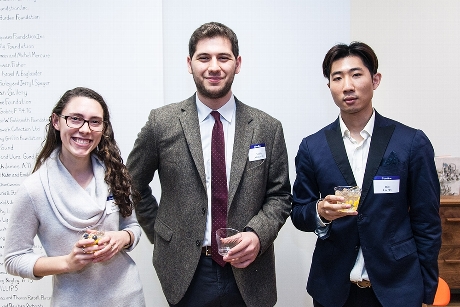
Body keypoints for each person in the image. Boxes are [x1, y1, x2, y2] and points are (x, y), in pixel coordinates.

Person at [126, 22, 291, 307]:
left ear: (237, 64)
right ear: (190, 64)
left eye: (223, 57)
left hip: (250, 269)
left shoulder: (267, 128)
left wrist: (257, 235)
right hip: (187, 272)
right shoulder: (161, 123)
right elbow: (132, 183)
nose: (213, 67)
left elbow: (280, 195)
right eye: (204, 58)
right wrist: (163, 234)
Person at [291, 42, 441, 307]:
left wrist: (427, 290)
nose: (347, 85)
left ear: (375, 79)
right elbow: (299, 212)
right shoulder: (312, 147)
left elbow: (427, 221)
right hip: (334, 290)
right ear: (329, 87)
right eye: (337, 78)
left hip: (398, 290)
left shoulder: (410, 142)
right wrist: (320, 212)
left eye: (356, 74)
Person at [4, 87, 146, 306]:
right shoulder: (34, 189)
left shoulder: (115, 174)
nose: (85, 129)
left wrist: (122, 238)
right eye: (75, 119)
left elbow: (133, 227)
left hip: (128, 297)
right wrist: (67, 263)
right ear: (56, 121)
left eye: (95, 122)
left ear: (103, 128)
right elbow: (14, 259)